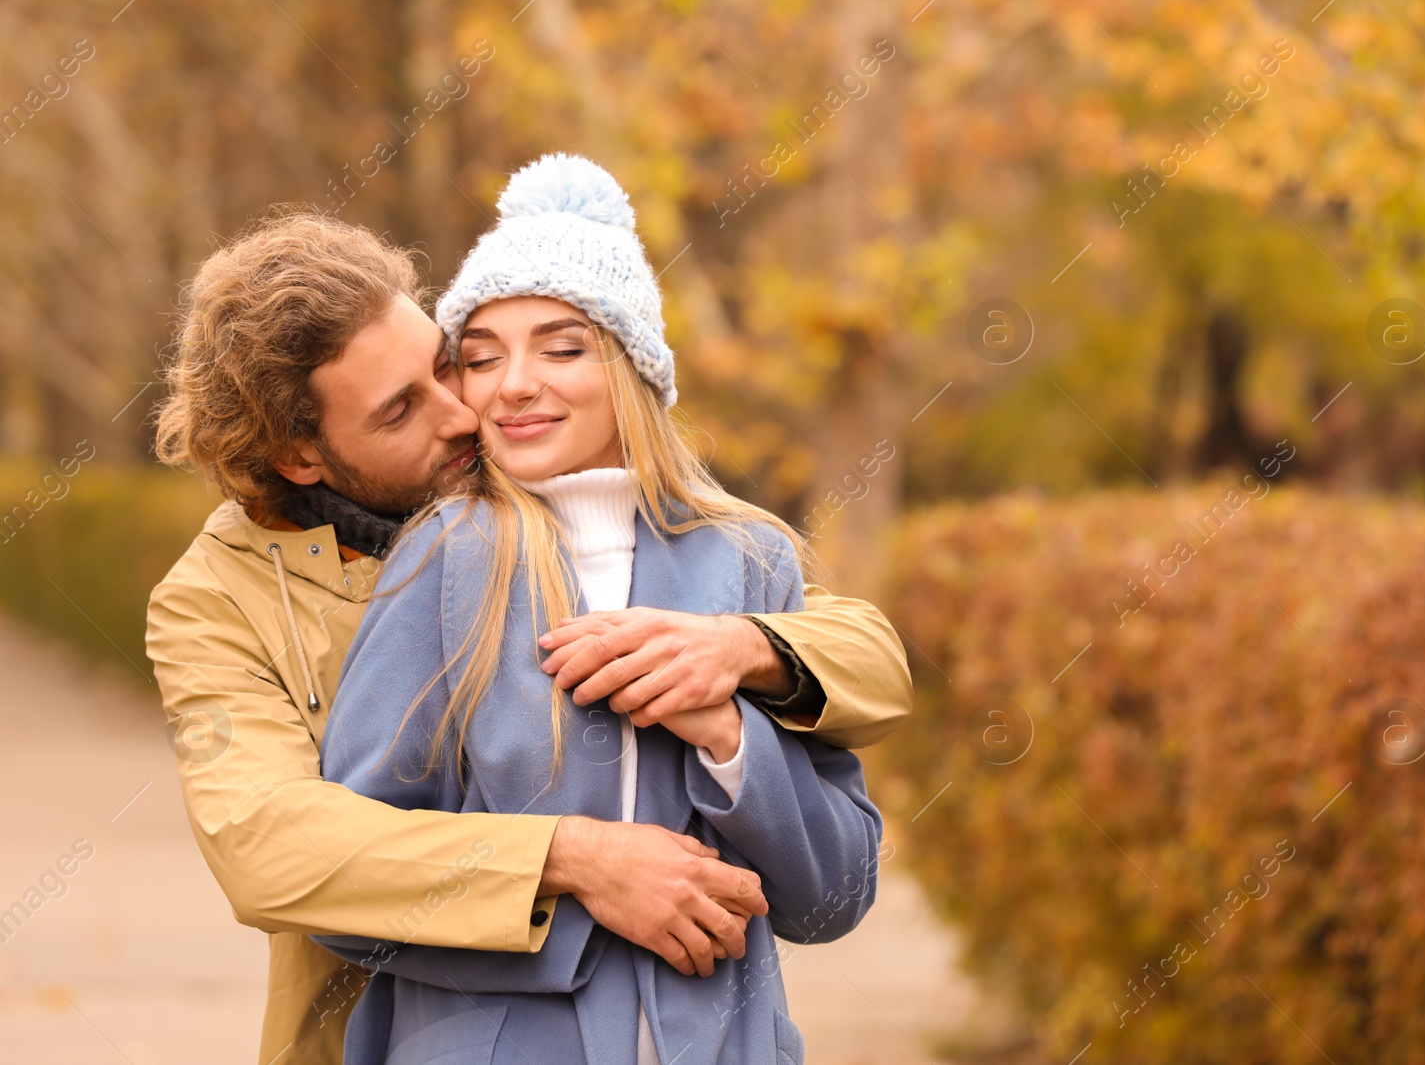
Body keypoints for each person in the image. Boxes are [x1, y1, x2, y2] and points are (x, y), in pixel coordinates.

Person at [145, 204, 911, 1064]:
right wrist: (577, 858)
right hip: (378, 1027)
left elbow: (867, 659)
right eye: (402, 410)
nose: (468, 413)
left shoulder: (690, 540)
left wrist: (742, 653)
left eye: (448, 366)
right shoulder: (215, 602)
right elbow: (272, 845)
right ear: (300, 457)